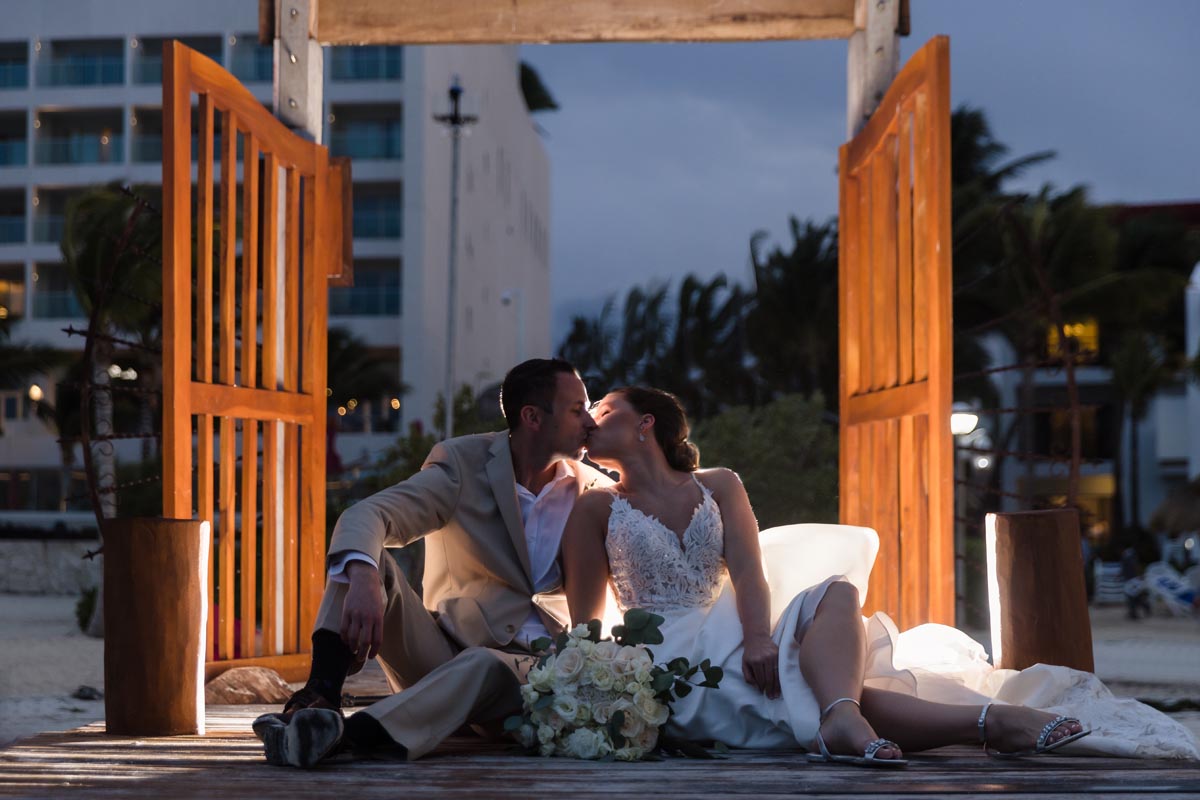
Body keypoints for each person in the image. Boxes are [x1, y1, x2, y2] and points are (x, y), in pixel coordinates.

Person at [562, 387, 1197, 765]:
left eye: (602, 408)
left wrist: (758, 636)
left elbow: (750, 575)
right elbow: (587, 618)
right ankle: (980, 724)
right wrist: (596, 686)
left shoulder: (718, 484)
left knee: (836, 593)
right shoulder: (594, 507)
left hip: (730, 624)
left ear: (645, 423)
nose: (589, 419)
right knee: (805, 686)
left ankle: (845, 717)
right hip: (665, 653)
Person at [252, 358, 612, 767]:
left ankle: (344, 738)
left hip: (535, 677)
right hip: (442, 655)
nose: (590, 421)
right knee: (364, 560)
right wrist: (365, 577)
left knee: (484, 663)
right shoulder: (464, 464)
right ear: (532, 416)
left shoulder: (596, 491)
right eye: (577, 409)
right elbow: (367, 515)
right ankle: (319, 699)